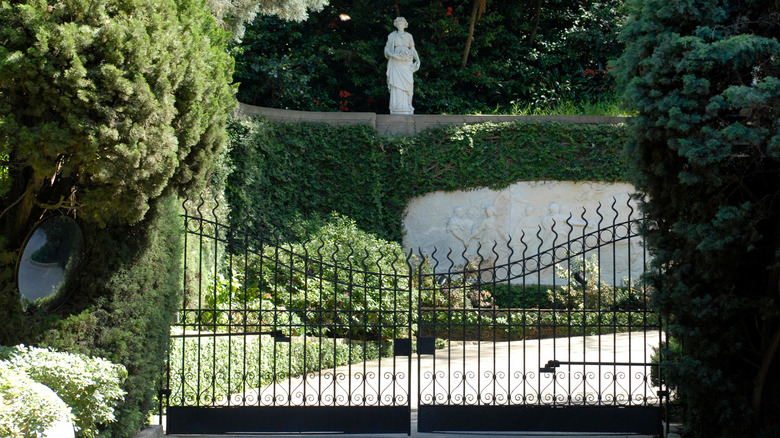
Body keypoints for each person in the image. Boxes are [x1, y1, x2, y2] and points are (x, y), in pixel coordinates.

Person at [384, 17, 420, 114]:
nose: (400, 26)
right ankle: (396, 106)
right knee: (396, 84)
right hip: (396, 62)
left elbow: (413, 49)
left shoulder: (409, 36)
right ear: (396, 25)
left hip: (407, 62)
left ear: (405, 25)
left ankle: (408, 104)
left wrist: (418, 60)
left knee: (409, 83)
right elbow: (387, 48)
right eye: (398, 24)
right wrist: (391, 54)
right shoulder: (392, 36)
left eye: (402, 24)